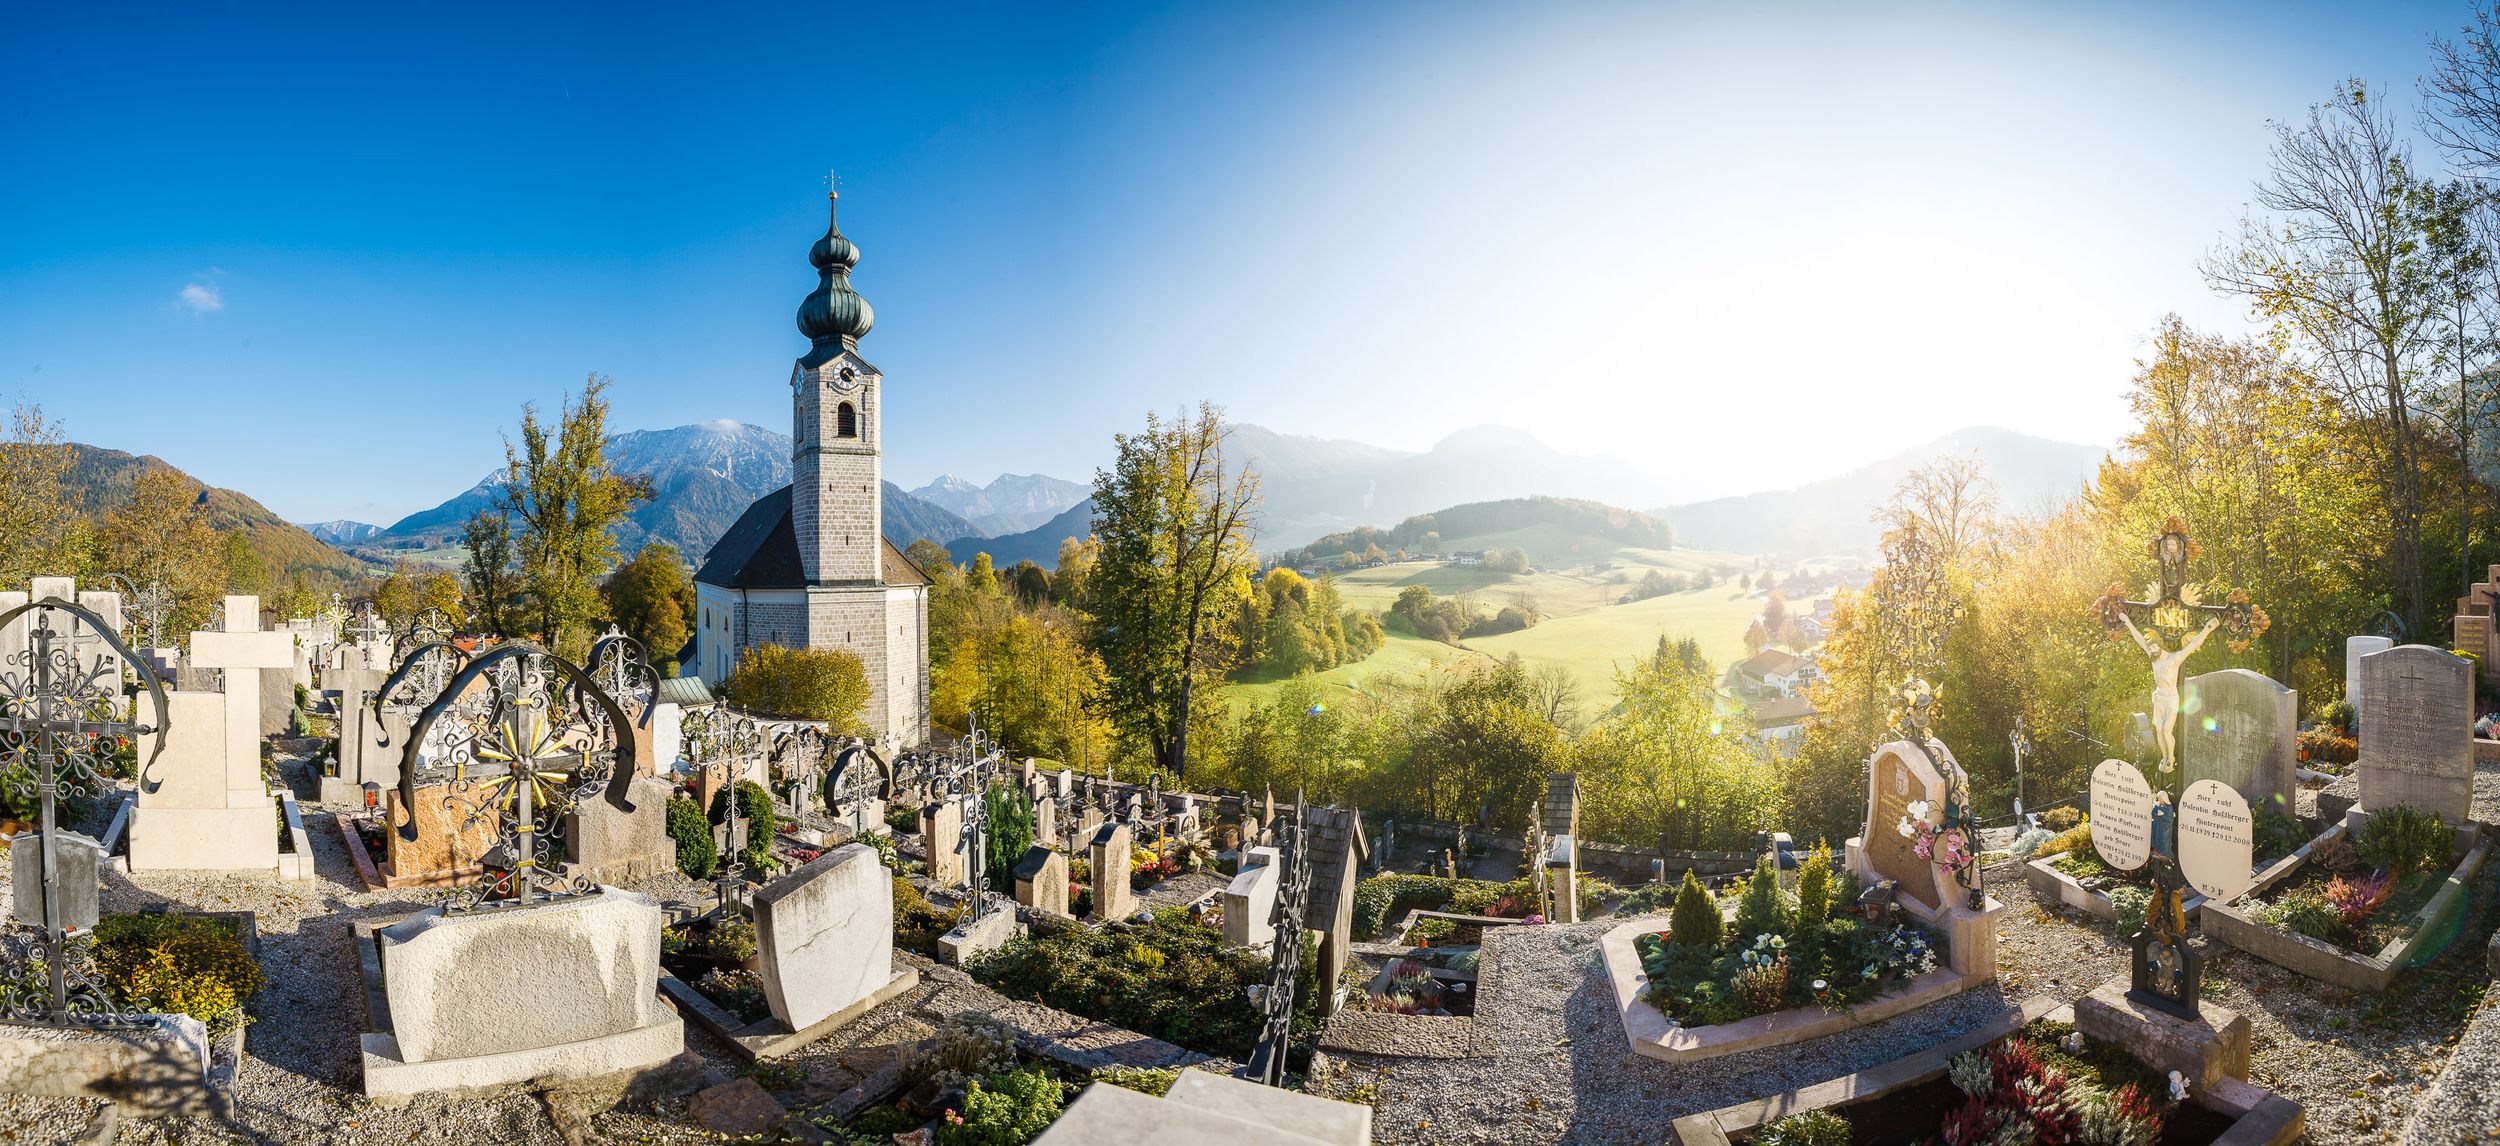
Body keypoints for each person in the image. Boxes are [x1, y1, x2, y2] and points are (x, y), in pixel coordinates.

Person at [2120, 613, 2222, 774]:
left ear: (2161, 647)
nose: (2152, 650)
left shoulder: (2174, 659)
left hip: (2171, 699)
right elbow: (2139, 639)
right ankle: (2164, 756)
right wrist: (2127, 622)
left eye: (2154, 647)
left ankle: (2171, 758)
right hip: (2159, 698)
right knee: (2159, 730)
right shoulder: (2153, 658)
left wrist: (2207, 629)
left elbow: (2193, 645)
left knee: (2167, 731)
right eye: (2151, 648)